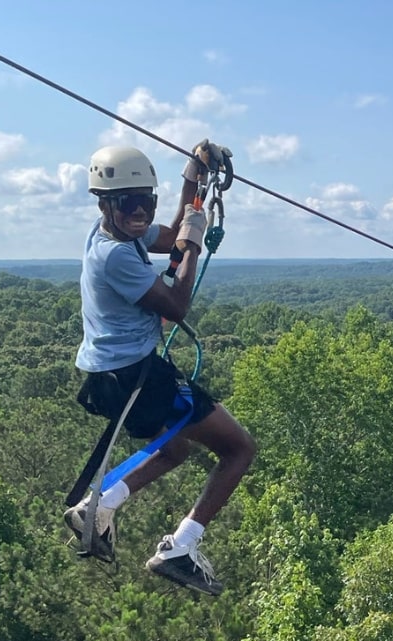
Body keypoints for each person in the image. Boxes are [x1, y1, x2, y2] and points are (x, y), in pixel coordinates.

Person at [64, 142, 255, 595]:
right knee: (238, 449)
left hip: (114, 377)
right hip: (137, 380)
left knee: (175, 449)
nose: (139, 211)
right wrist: (193, 242)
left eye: (145, 201)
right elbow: (177, 302)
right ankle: (180, 547)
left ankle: (100, 506)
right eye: (127, 203)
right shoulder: (114, 255)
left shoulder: (114, 235)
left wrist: (192, 181)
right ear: (105, 204)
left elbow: (165, 238)